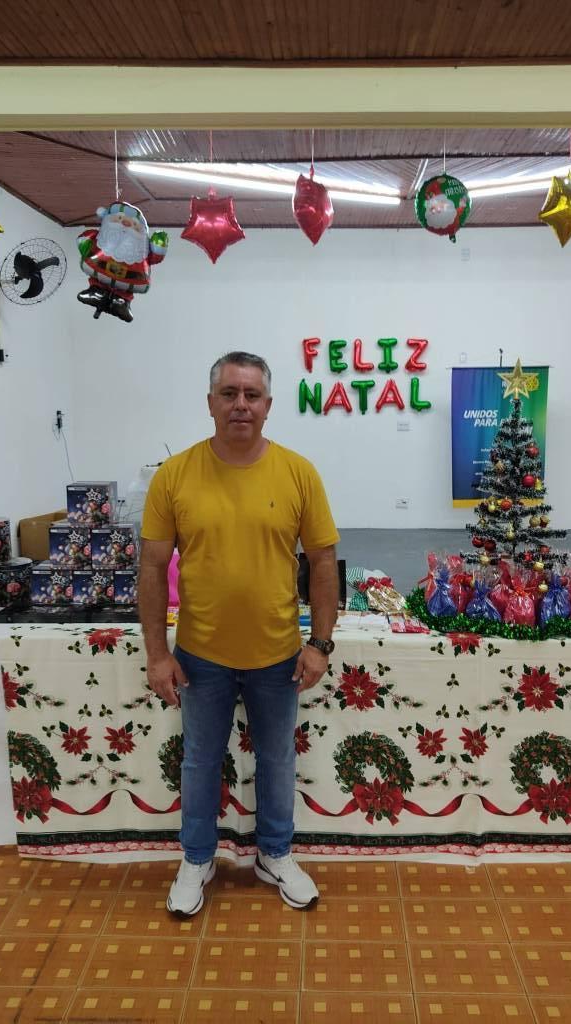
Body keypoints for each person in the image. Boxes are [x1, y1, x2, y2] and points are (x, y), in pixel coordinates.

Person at [139, 351, 339, 916]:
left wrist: (320, 643)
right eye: (229, 393)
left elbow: (323, 562)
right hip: (200, 657)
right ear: (211, 403)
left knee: (277, 759)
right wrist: (157, 655)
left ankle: (275, 854)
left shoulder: (298, 473)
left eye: (252, 395)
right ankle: (197, 858)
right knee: (200, 761)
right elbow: (151, 568)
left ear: (268, 405)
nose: (241, 405)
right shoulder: (175, 475)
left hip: (278, 656)